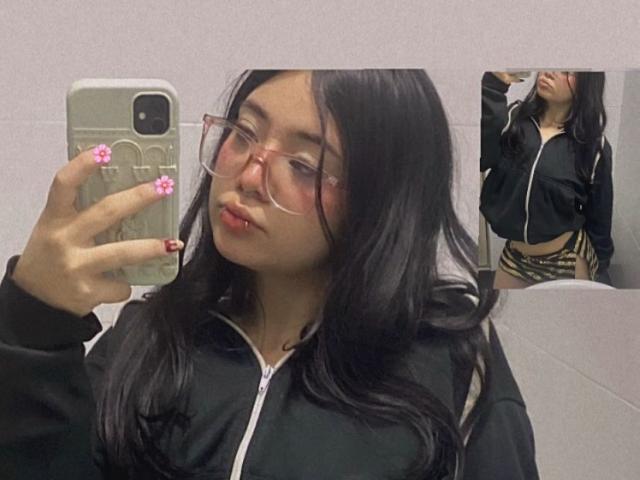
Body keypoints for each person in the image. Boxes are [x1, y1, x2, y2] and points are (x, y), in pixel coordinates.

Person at [0, 70, 539, 479]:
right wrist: (34, 324)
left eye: (303, 165)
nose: (248, 176)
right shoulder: (149, 336)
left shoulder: (454, 361)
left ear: (382, 200)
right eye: (243, 133)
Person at [480, 71, 614, 289]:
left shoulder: (593, 146)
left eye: (566, 71)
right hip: (516, 256)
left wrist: (601, 267)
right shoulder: (513, 118)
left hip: (567, 257)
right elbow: (481, 159)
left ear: (586, 84)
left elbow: (600, 214)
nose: (550, 71)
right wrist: (493, 87)